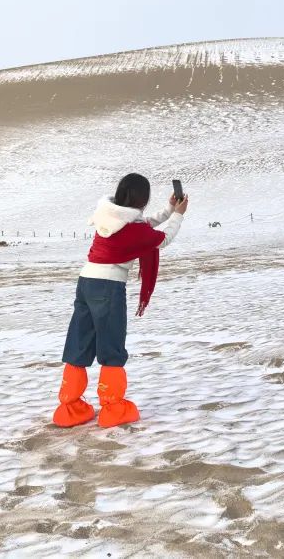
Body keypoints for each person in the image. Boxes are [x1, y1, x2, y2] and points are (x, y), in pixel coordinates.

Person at [52, 173, 189, 428]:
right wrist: (179, 215)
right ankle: (113, 408)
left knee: (80, 340)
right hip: (108, 285)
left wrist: (170, 209)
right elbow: (161, 239)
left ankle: (69, 407)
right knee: (111, 345)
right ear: (142, 198)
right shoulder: (132, 229)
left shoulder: (109, 214)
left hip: (86, 281)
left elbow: (142, 225)